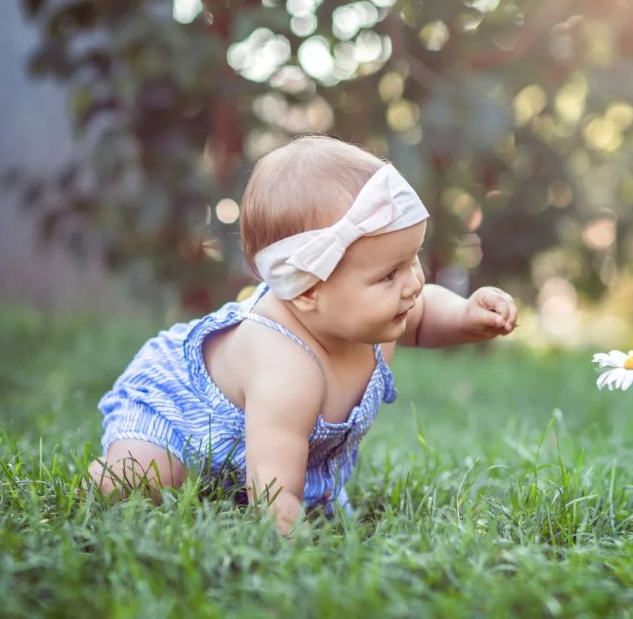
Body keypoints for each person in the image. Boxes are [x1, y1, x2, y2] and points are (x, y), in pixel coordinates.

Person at [88, 135, 518, 534]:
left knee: (256, 491)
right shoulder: (284, 364)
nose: (412, 284)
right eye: (389, 274)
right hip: (175, 412)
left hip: (262, 440)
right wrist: (282, 533)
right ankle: (106, 475)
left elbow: (423, 316)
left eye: (412, 259)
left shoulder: (378, 316)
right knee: (148, 478)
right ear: (309, 290)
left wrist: (465, 315)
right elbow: (272, 486)